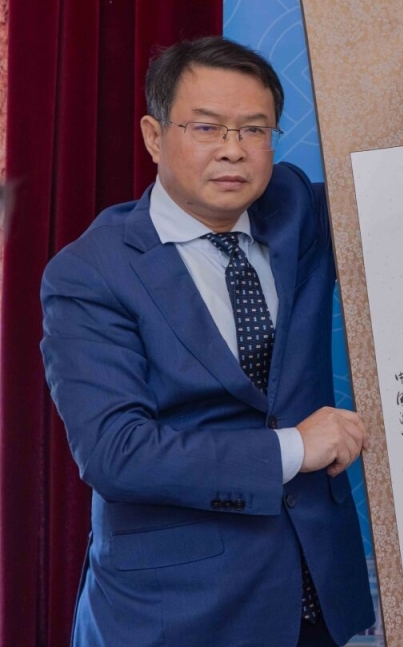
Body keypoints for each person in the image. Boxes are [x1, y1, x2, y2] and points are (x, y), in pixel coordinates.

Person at [41, 37, 375, 647]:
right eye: (206, 127)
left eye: (254, 130)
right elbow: (117, 453)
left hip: (315, 594)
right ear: (153, 136)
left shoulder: (295, 209)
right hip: (177, 612)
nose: (232, 149)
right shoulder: (91, 273)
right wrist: (294, 448)